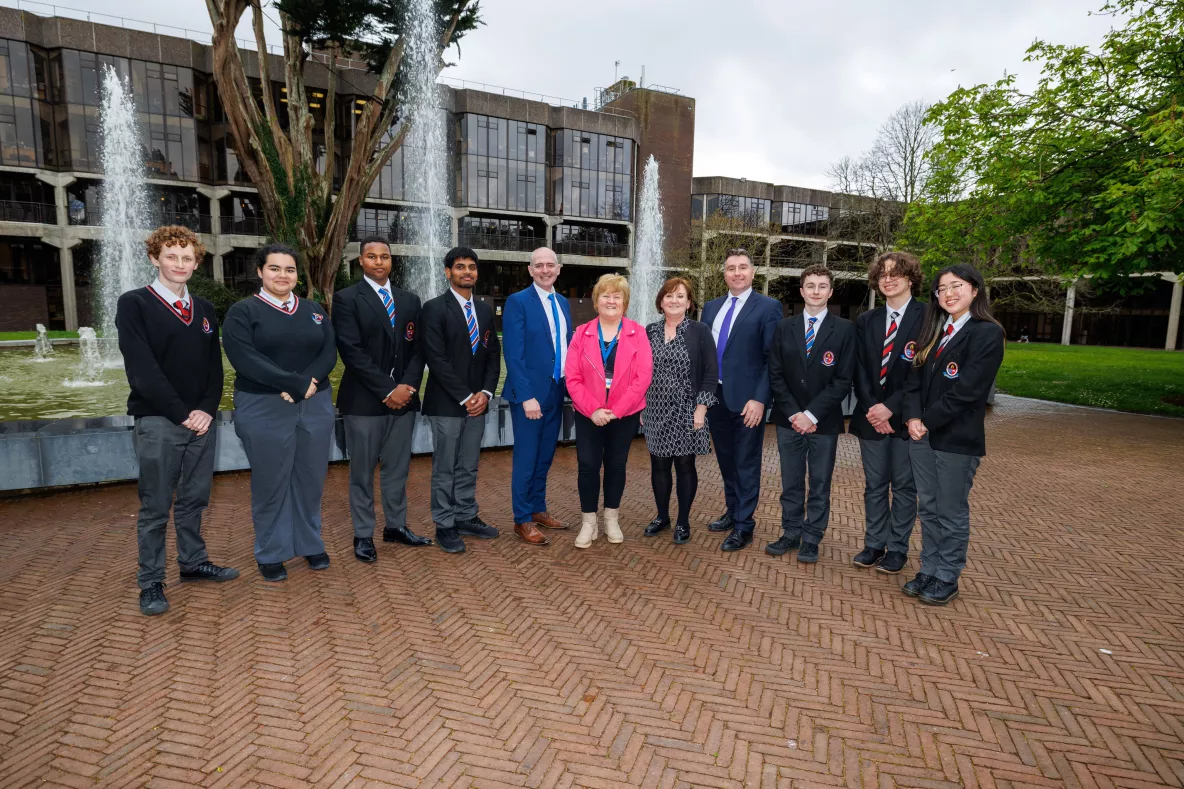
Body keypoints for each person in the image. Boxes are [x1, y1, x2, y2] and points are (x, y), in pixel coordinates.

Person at [116, 225, 238, 617]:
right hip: (159, 421)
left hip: (201, 422)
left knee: (194, 499)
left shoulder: (202, 308)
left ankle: (192, 562)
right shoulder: (135, 303)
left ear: (196, 262)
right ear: (155, 259)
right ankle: (151, 580)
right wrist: (181, 413)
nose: (180, 264)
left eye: (187, 257)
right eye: (171, 256)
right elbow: (142, 370)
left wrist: (205, 409)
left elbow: (213, 368)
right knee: (155, 506)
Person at [222, 243, 338, 582]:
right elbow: (245, 358)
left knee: (310, 477)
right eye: (274, 268)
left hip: (314, 402)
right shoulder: (243, 312)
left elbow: (329, 350)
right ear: (260, 272)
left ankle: (310, 542)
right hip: (264, 405)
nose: (281, 275)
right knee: (271, 480)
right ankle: (271, 551)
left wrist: (309, 382)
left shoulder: (314, 310)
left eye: (289, 269)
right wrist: (291, 383)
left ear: (296, 275)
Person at [903, 264, 1006, 606]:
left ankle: (947, 575)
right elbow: (913, 380)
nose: (948, 293)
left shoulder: (986, 333)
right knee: (929, 508)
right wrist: (913, 417)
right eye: (941, 288)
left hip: (956, 440)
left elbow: (968, 391)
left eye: (956, 286)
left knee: (950, 511)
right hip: (921, 436)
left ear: (975, 289)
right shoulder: (932, 330)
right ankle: (929, 569)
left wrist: (925, 420)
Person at [333, 236, 430, 563]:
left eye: (384, 257)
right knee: (361, 472)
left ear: (392, 261)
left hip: (405, 402)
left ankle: (396, 526)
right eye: (371, 257)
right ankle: (363, 535)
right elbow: (351, 351)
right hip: (364, 401)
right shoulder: (347, 299)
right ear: (361, 261)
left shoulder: (410, 300)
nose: (378, 262)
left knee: (398, 469)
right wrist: (388, 389)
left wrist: (407, 387)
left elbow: (419, 350)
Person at [766, 264, 855, 562]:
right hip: (788, 420)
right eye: (810, 286)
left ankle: (812, 537)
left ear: (830, 291)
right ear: (801, 290)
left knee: (819, 482)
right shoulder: (784, 327)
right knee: (791, 481)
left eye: (822, 286)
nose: (816, 291)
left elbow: (844, 379)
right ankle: (791, 532)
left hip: (824, 422)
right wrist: (795, 414)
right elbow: (775, 374)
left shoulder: (844, 329)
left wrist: (812, 415)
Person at [420, 247, 502, 554]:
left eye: (471, 267)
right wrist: (466, 396)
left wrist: (486, 392)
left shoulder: (483, 310)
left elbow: (493, 355)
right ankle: (445, 523)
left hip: (478, 404)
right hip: (446, 403)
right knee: (445, 467)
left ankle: (466, 515)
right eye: (459, 267)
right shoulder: (434, 308)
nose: (466, 271)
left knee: (469, 465)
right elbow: (436, 359)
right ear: (448, 272)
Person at [848, 252, 925, 575]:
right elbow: (860, 369)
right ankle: (874, 543)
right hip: (871, 419)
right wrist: (872, 409)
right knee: (875, 485)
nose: (888, 279)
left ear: (910, 279)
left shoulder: (928, 317)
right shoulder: (867, 320)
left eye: (895, 273)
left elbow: (921, 372)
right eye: (882, 275)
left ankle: (897, 548)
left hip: (906, 417)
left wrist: (890, 407)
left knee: (905, 488)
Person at [701, 249, 782, 551]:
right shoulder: (711, 307)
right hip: (717, 398)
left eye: (743, 267)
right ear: (723, 273)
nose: (737, 273)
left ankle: (745, 526)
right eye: (731, 268)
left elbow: (771, 358)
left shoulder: (768, 307)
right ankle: (733, 512)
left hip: (748, 401)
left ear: (752, 272)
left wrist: (760, 399)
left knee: (746, 463)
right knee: (725, 460)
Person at [565, 273, 653, 548]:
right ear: (596, 301)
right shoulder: (582, 334)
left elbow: (643, 378)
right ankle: (588, 523)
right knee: (588, 466)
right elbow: (572, 378)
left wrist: (615, 410)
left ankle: (611, 519)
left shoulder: (638, 333)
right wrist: (593, 410)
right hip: (588, 413)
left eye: (617, 296)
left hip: (623, 415)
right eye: (606, 295)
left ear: (625, 302)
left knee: (616, 466)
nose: (611, 300)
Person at [500, 247, 574, 546]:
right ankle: (522, 520)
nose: (545, 270)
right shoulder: (518, 302)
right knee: (527, 459)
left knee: (545, 456)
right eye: (539, 265)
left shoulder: (563, 302)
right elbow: (513, 354)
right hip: (530, 397)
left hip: (557, 391)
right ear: (530, 270)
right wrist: (526, 396)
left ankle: (538, 508)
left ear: (558, 269)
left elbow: (567, 347)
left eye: (550, 265)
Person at [642, 277, 718, 545]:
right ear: (661, 301)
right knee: (659, 465)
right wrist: (641, 403)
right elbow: (639, 371)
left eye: (680, 296)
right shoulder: (649, 331)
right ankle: (662, 517)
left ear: (689, 303)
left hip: (688, 409)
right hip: (655, 408)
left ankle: (683, 521)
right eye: (669, 295)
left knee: (685, 465)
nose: (674, 300)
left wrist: (701, 409)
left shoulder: (700, 330)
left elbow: (711, 372)